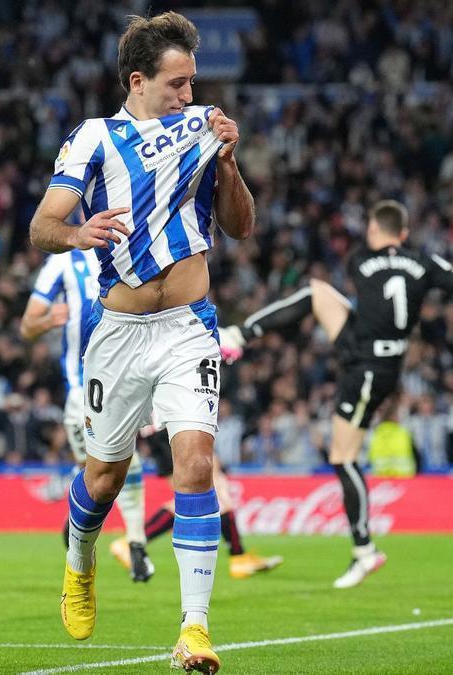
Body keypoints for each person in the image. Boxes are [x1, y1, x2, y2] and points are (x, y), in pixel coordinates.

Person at [29, 12, 254, 673]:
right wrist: (78, 234)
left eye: (192, 82)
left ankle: (194, 627)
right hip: (120, 333)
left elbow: (241, 226)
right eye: (178, 84)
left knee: (195, 465)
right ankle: (80, 562)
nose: (189, 95)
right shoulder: (95, 139)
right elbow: (44, 224)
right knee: (105, 476)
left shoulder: (204, 128)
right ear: (139, 81)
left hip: (189, 325)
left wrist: (231, 163)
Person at [220, 200, 453, 589]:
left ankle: (365, 550)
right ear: (406, 234)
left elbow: (371, 292)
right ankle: (238, 336)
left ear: (375, 232)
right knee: (316, 292)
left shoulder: (360, 260)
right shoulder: (424, 263)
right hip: (382, 360)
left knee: (343, 457)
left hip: (366, 368)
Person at [19, 248, 153, 582]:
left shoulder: (127, 248)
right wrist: (50, 319)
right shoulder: (62, 263)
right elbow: (27, 326)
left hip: (125, 378)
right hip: (82, 387)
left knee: (123, 464)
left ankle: (135, 543)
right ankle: (83, 537)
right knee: (97, 473)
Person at [123, 426, 281, 579]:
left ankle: (239, 556)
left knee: (210, 491)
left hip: (179, 428)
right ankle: (132, 542)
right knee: (210, 494)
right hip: (174, 429)